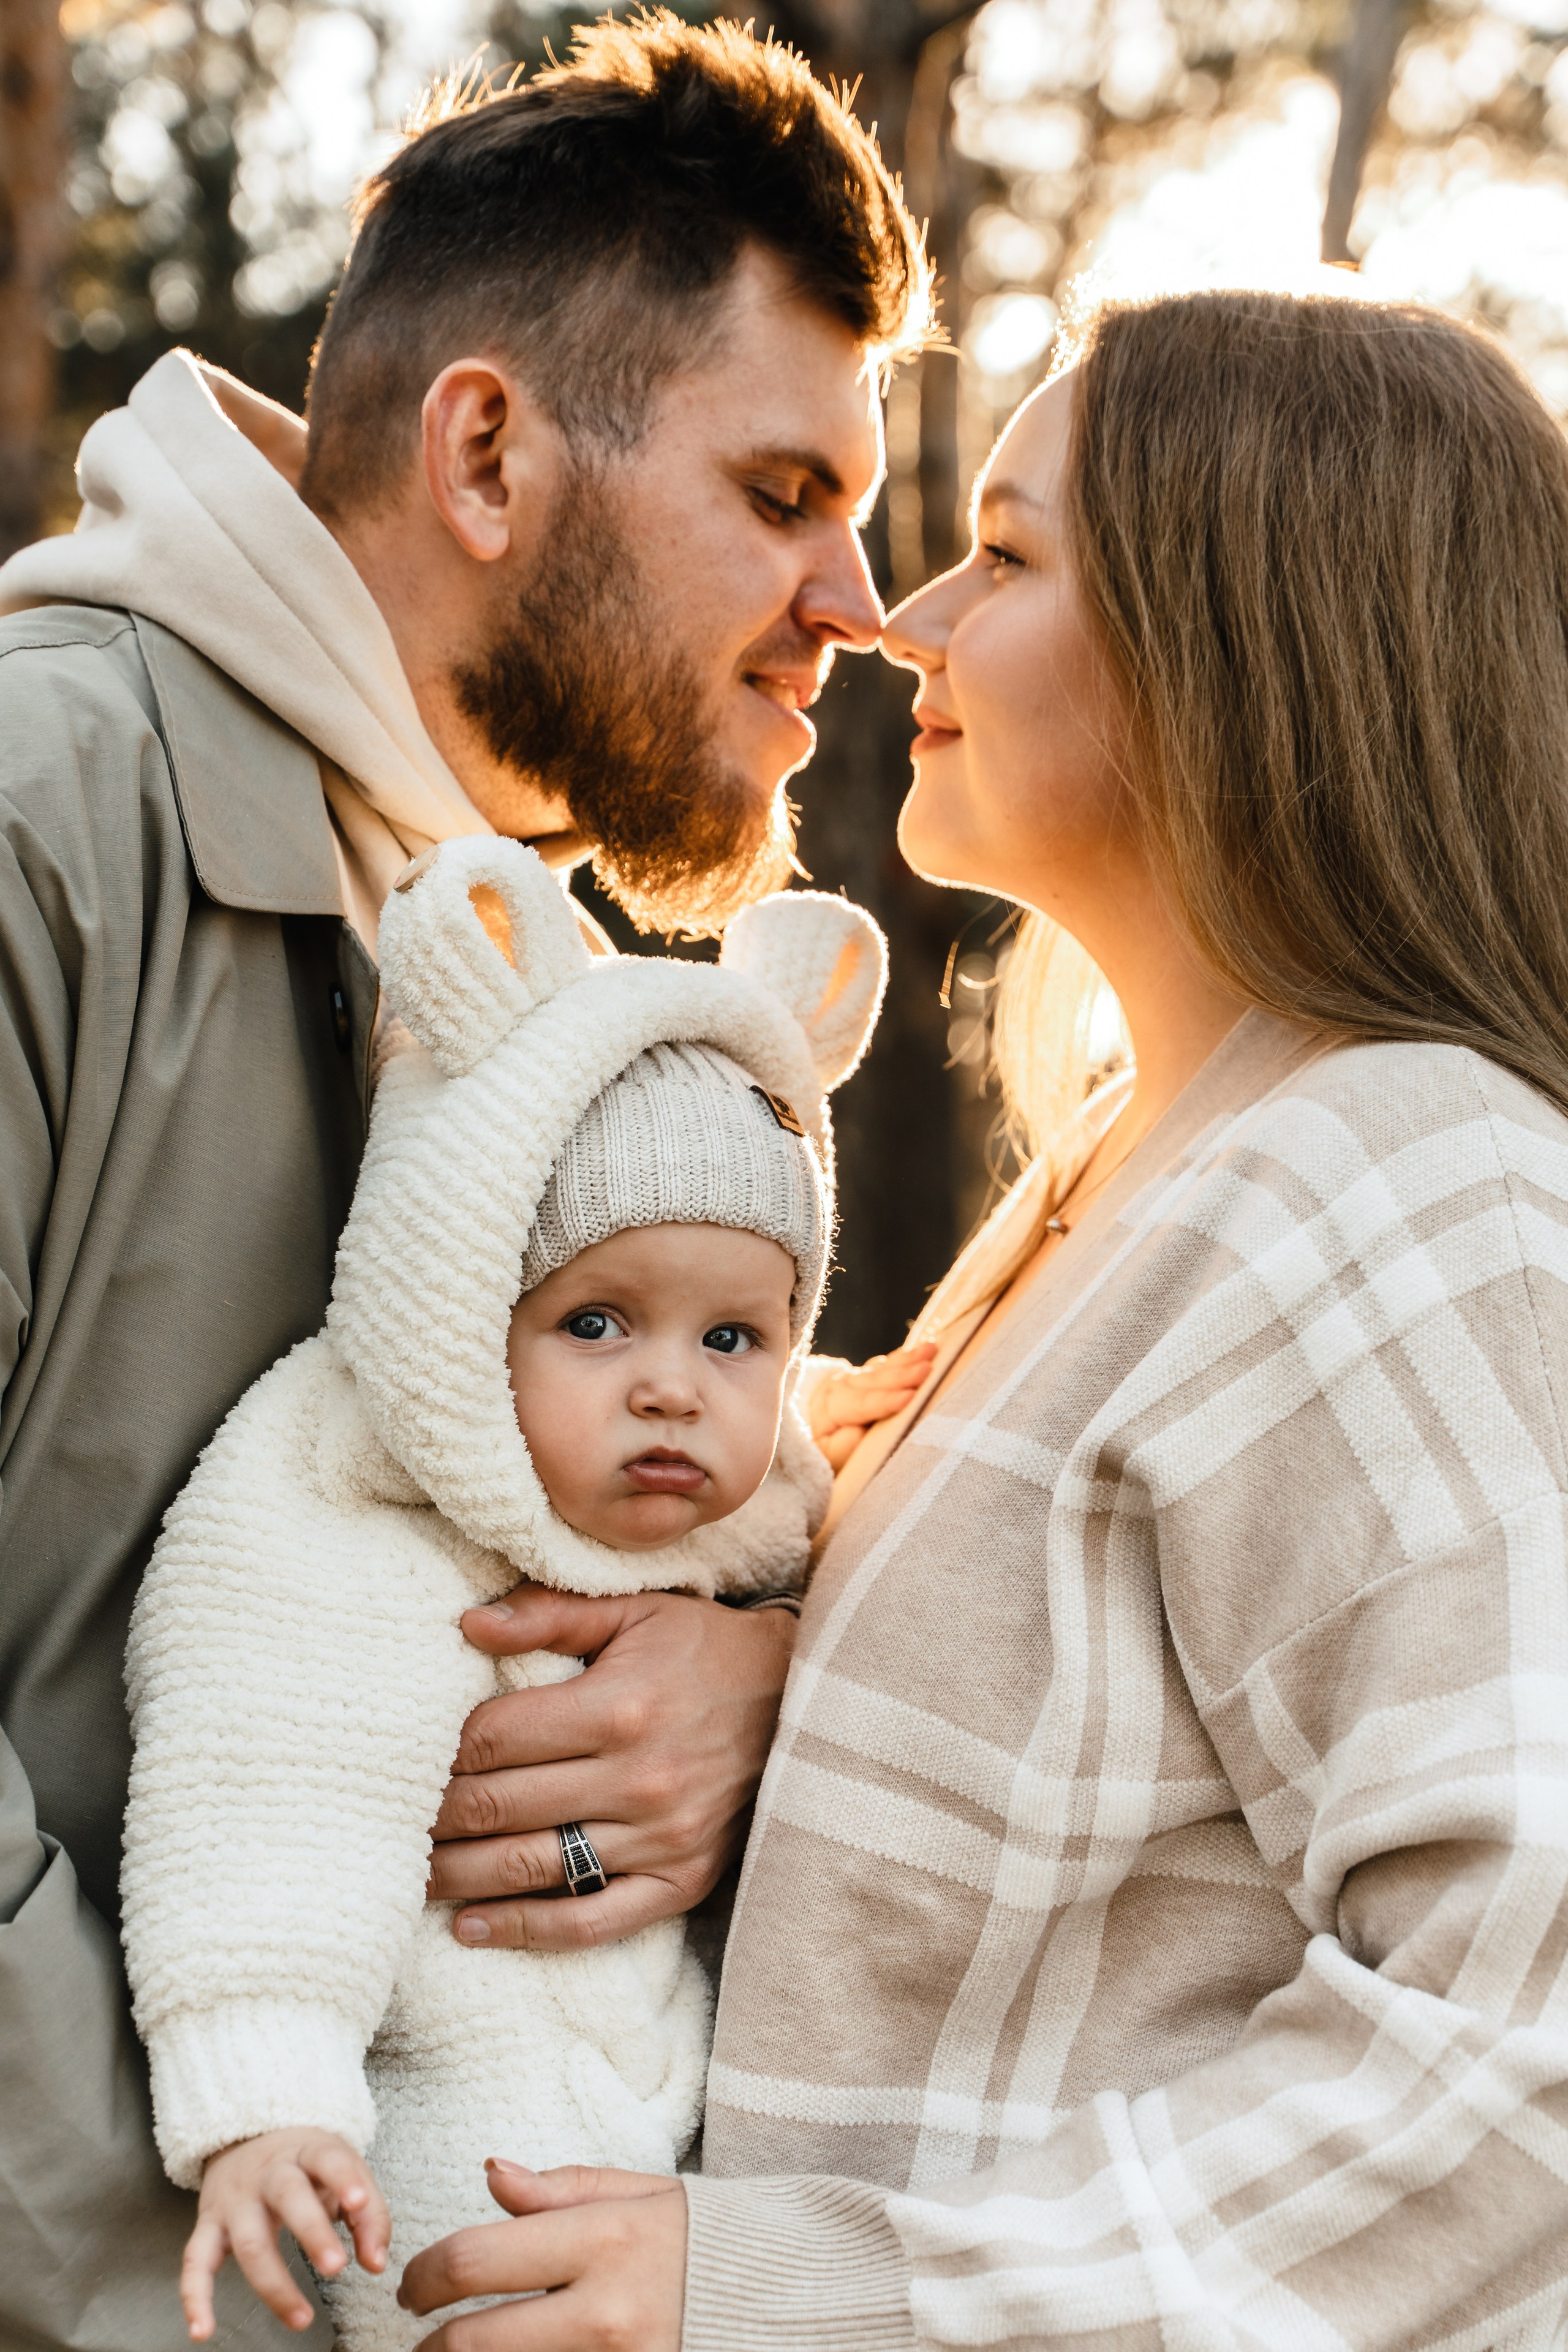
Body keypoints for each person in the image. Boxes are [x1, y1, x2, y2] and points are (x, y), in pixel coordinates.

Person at [391, 292, 1568, 2351]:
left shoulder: (1410, 1182)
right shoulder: (1140, 1165)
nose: (907, 618)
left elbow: (1527, 2051)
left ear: (1240, 636)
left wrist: (807, 2296)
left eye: (1006, 558)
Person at [0, 18, 930, 2347]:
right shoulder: (40, 816)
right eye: (785, 492)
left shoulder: (524, 987)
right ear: (491, 453)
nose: (859, 601)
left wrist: (743, 1671)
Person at [120, 842, 892, 2350]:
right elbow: (262, 1790)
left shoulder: (728, 1516)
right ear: (463, 1312)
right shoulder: (352, 1516)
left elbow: (812, 1555)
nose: (671, 1389)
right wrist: (265, 2097)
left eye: (733, 1340)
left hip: (686, 2138)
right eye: (596, 1322)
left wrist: (859, 1446)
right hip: (442, 2118)